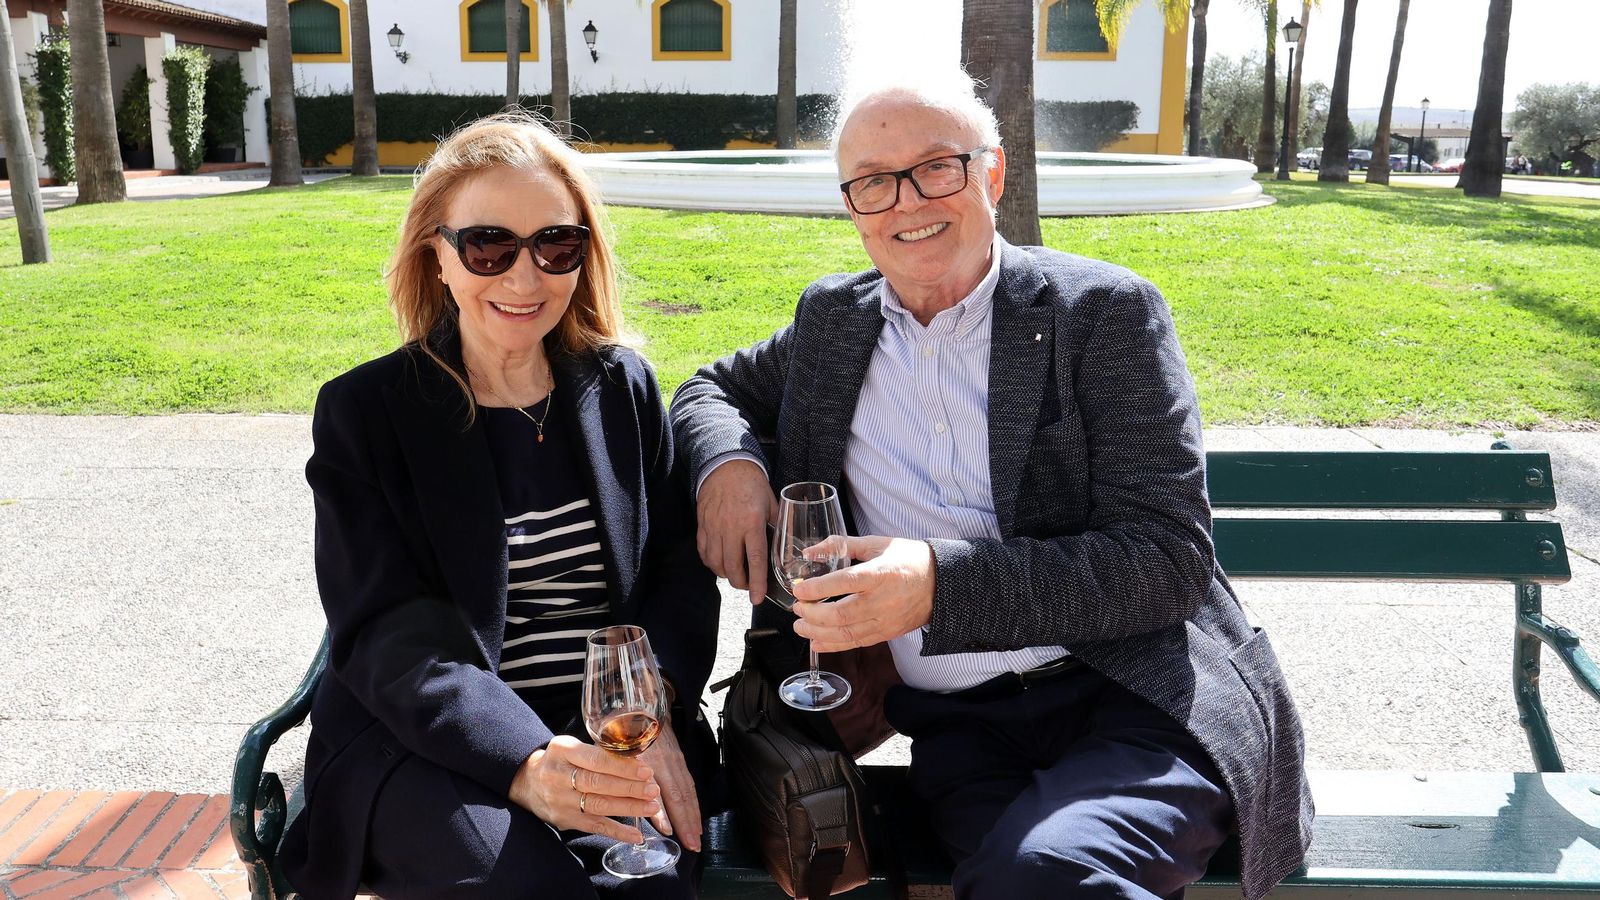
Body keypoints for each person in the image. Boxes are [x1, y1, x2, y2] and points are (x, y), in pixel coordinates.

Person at [671, 71, 1313, 900]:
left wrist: (937, 586)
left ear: (994, 175)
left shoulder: (1101, 314)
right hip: (960, 731)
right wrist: (730, 466)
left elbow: (1168, 561)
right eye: (873, 182)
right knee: (1022, 883)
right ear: (850, 205)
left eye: (937, 167)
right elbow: (710, 389)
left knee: (1045, 876)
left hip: (1136, 702)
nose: (906, 201)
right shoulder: (834, 323)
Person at [278, 113, 721, 900]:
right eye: (488, 246)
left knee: (649, 891)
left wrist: (649, 719)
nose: (525, 278)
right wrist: (526, 761)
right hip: (428, 746)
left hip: (610, 735)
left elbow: (677, 577)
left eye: (556, 246)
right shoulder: (367, 413)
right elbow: (391, 637)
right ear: (437, 256)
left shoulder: (621, 389)